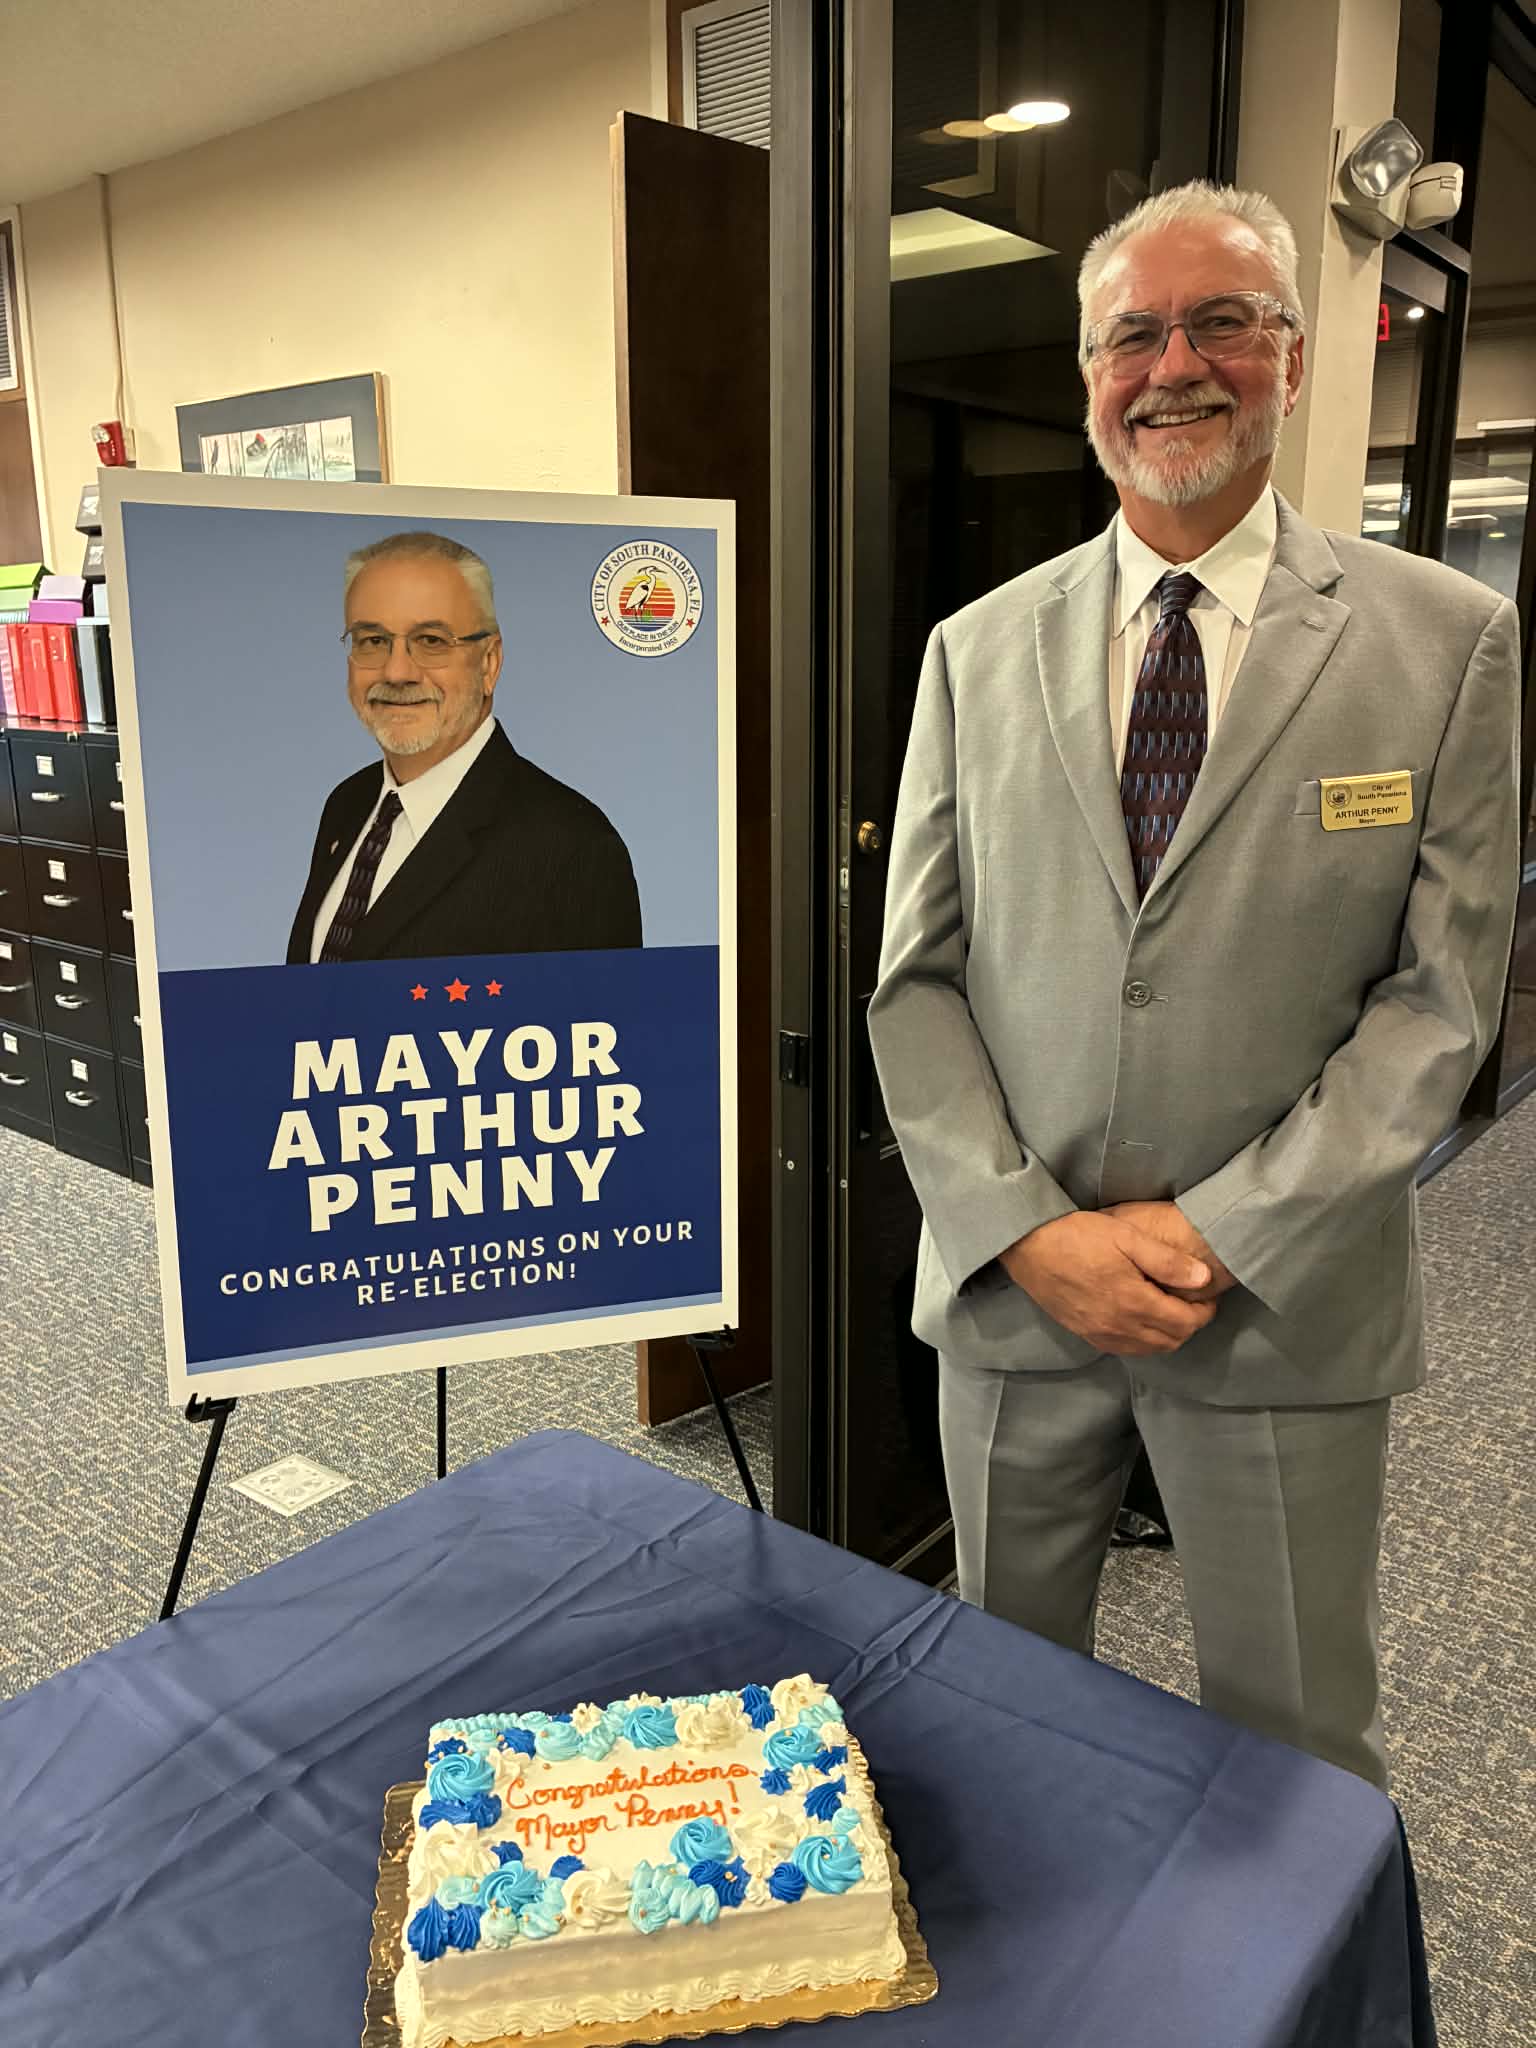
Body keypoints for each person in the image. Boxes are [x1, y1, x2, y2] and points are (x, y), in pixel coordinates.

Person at [868, 181, 1522, 1787]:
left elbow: (1442, 1003)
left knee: (1291, 1749)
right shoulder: (976, 649)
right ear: (1088, 373)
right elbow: (916, 982)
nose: (1177, 365)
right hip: (1020, 1296)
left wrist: (1221, 1234)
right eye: (1133, 333)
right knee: (1003, 1719)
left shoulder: (1449, 643)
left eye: (1221, 321)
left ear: (1293, 356)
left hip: (1279, 1310)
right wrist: (1029, 1231)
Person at [288, 531, 642, 964]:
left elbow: (604, 1026)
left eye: (432, 641)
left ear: (489, 664)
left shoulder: (572, 849)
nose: (397, 671)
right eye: (373, 641)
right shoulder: (347, 804)